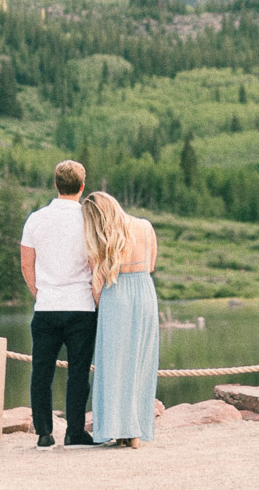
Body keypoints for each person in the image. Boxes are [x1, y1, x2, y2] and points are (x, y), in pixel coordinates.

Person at [19, 160, 97, 448]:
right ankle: (74, 431)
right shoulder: (88, 220)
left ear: (55, 184)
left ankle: (44, 433)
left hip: (47, 306)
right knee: (78, 372)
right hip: (81, 307)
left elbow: (27, 264)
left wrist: (40, 294)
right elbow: (94, 263)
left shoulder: (36, 219)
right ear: (82, 186)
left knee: (41, 371)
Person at [83, 190, 160, 447]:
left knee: (114, 366)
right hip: (145, 292)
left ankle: (121, 430)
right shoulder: (145, 226)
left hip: (116, 294)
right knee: (140, 363)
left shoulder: (102, 238)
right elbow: (150, 265)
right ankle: (135, 430)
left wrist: (98, 306)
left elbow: (97, 282)